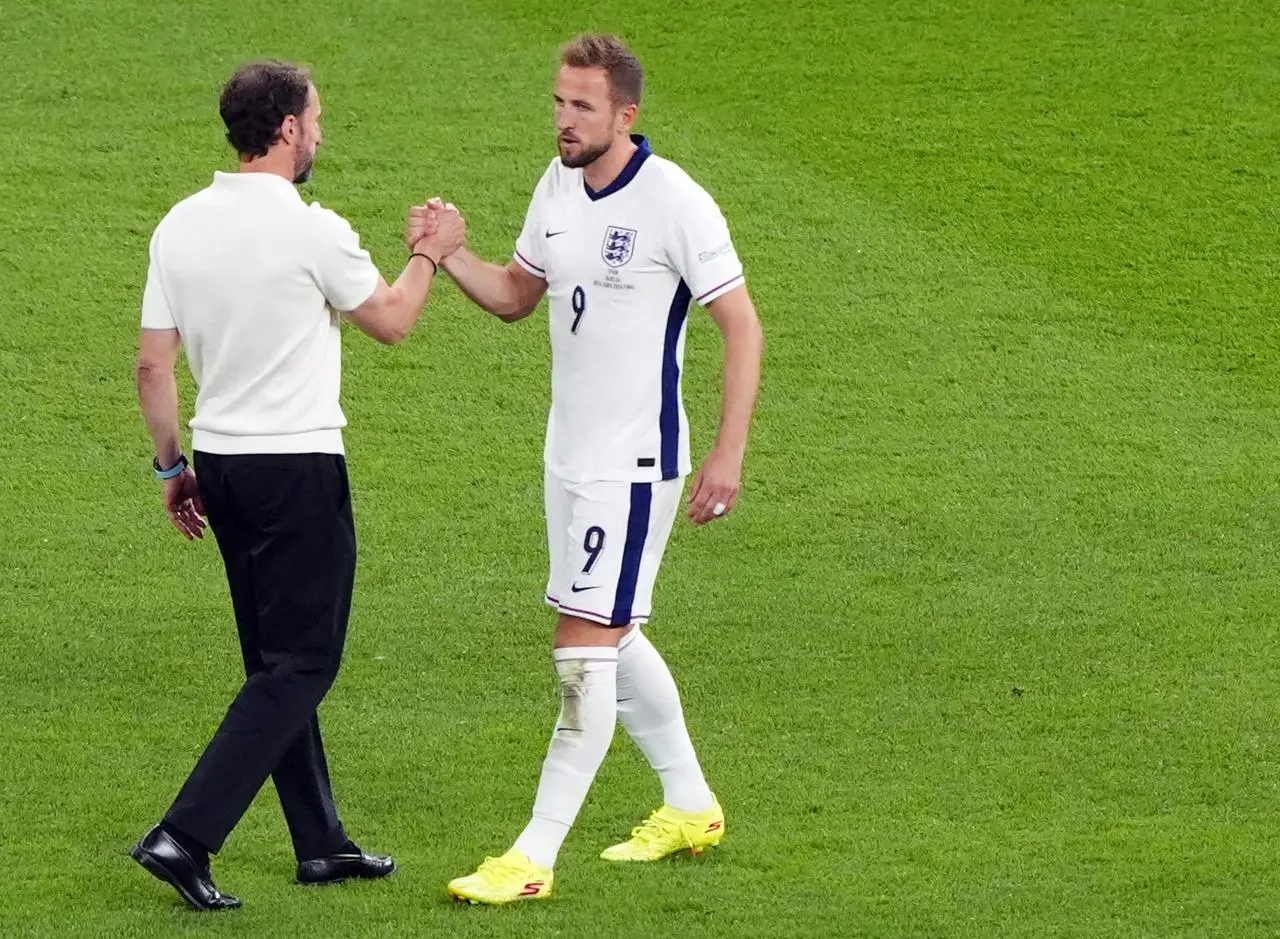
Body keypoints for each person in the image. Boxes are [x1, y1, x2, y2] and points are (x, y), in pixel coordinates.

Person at [434, 34, 764, 904]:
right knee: (611, 629)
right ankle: (691, 803)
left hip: (634, 461)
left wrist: (727, 453)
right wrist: (445, 255)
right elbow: (516, 294)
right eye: (557, 101)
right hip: (568, 455)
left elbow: (743, 326)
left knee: (582, 649)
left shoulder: (675, 202)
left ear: (627, 114)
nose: (564, 120)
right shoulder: (556, 186)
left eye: (582, 106)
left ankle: (532, 855)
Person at [129, 60, 464, 911]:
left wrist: (173, 466)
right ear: (285, 130)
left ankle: (321, 844)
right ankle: (185, 835)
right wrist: (430, 252)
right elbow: (391, 320)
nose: (321, 133)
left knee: (274, 665)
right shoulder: (313, 229)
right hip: (298, 470)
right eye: (315, 119)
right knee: (304, 663)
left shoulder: (179, 225)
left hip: (224, 467)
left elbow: (151, 364)